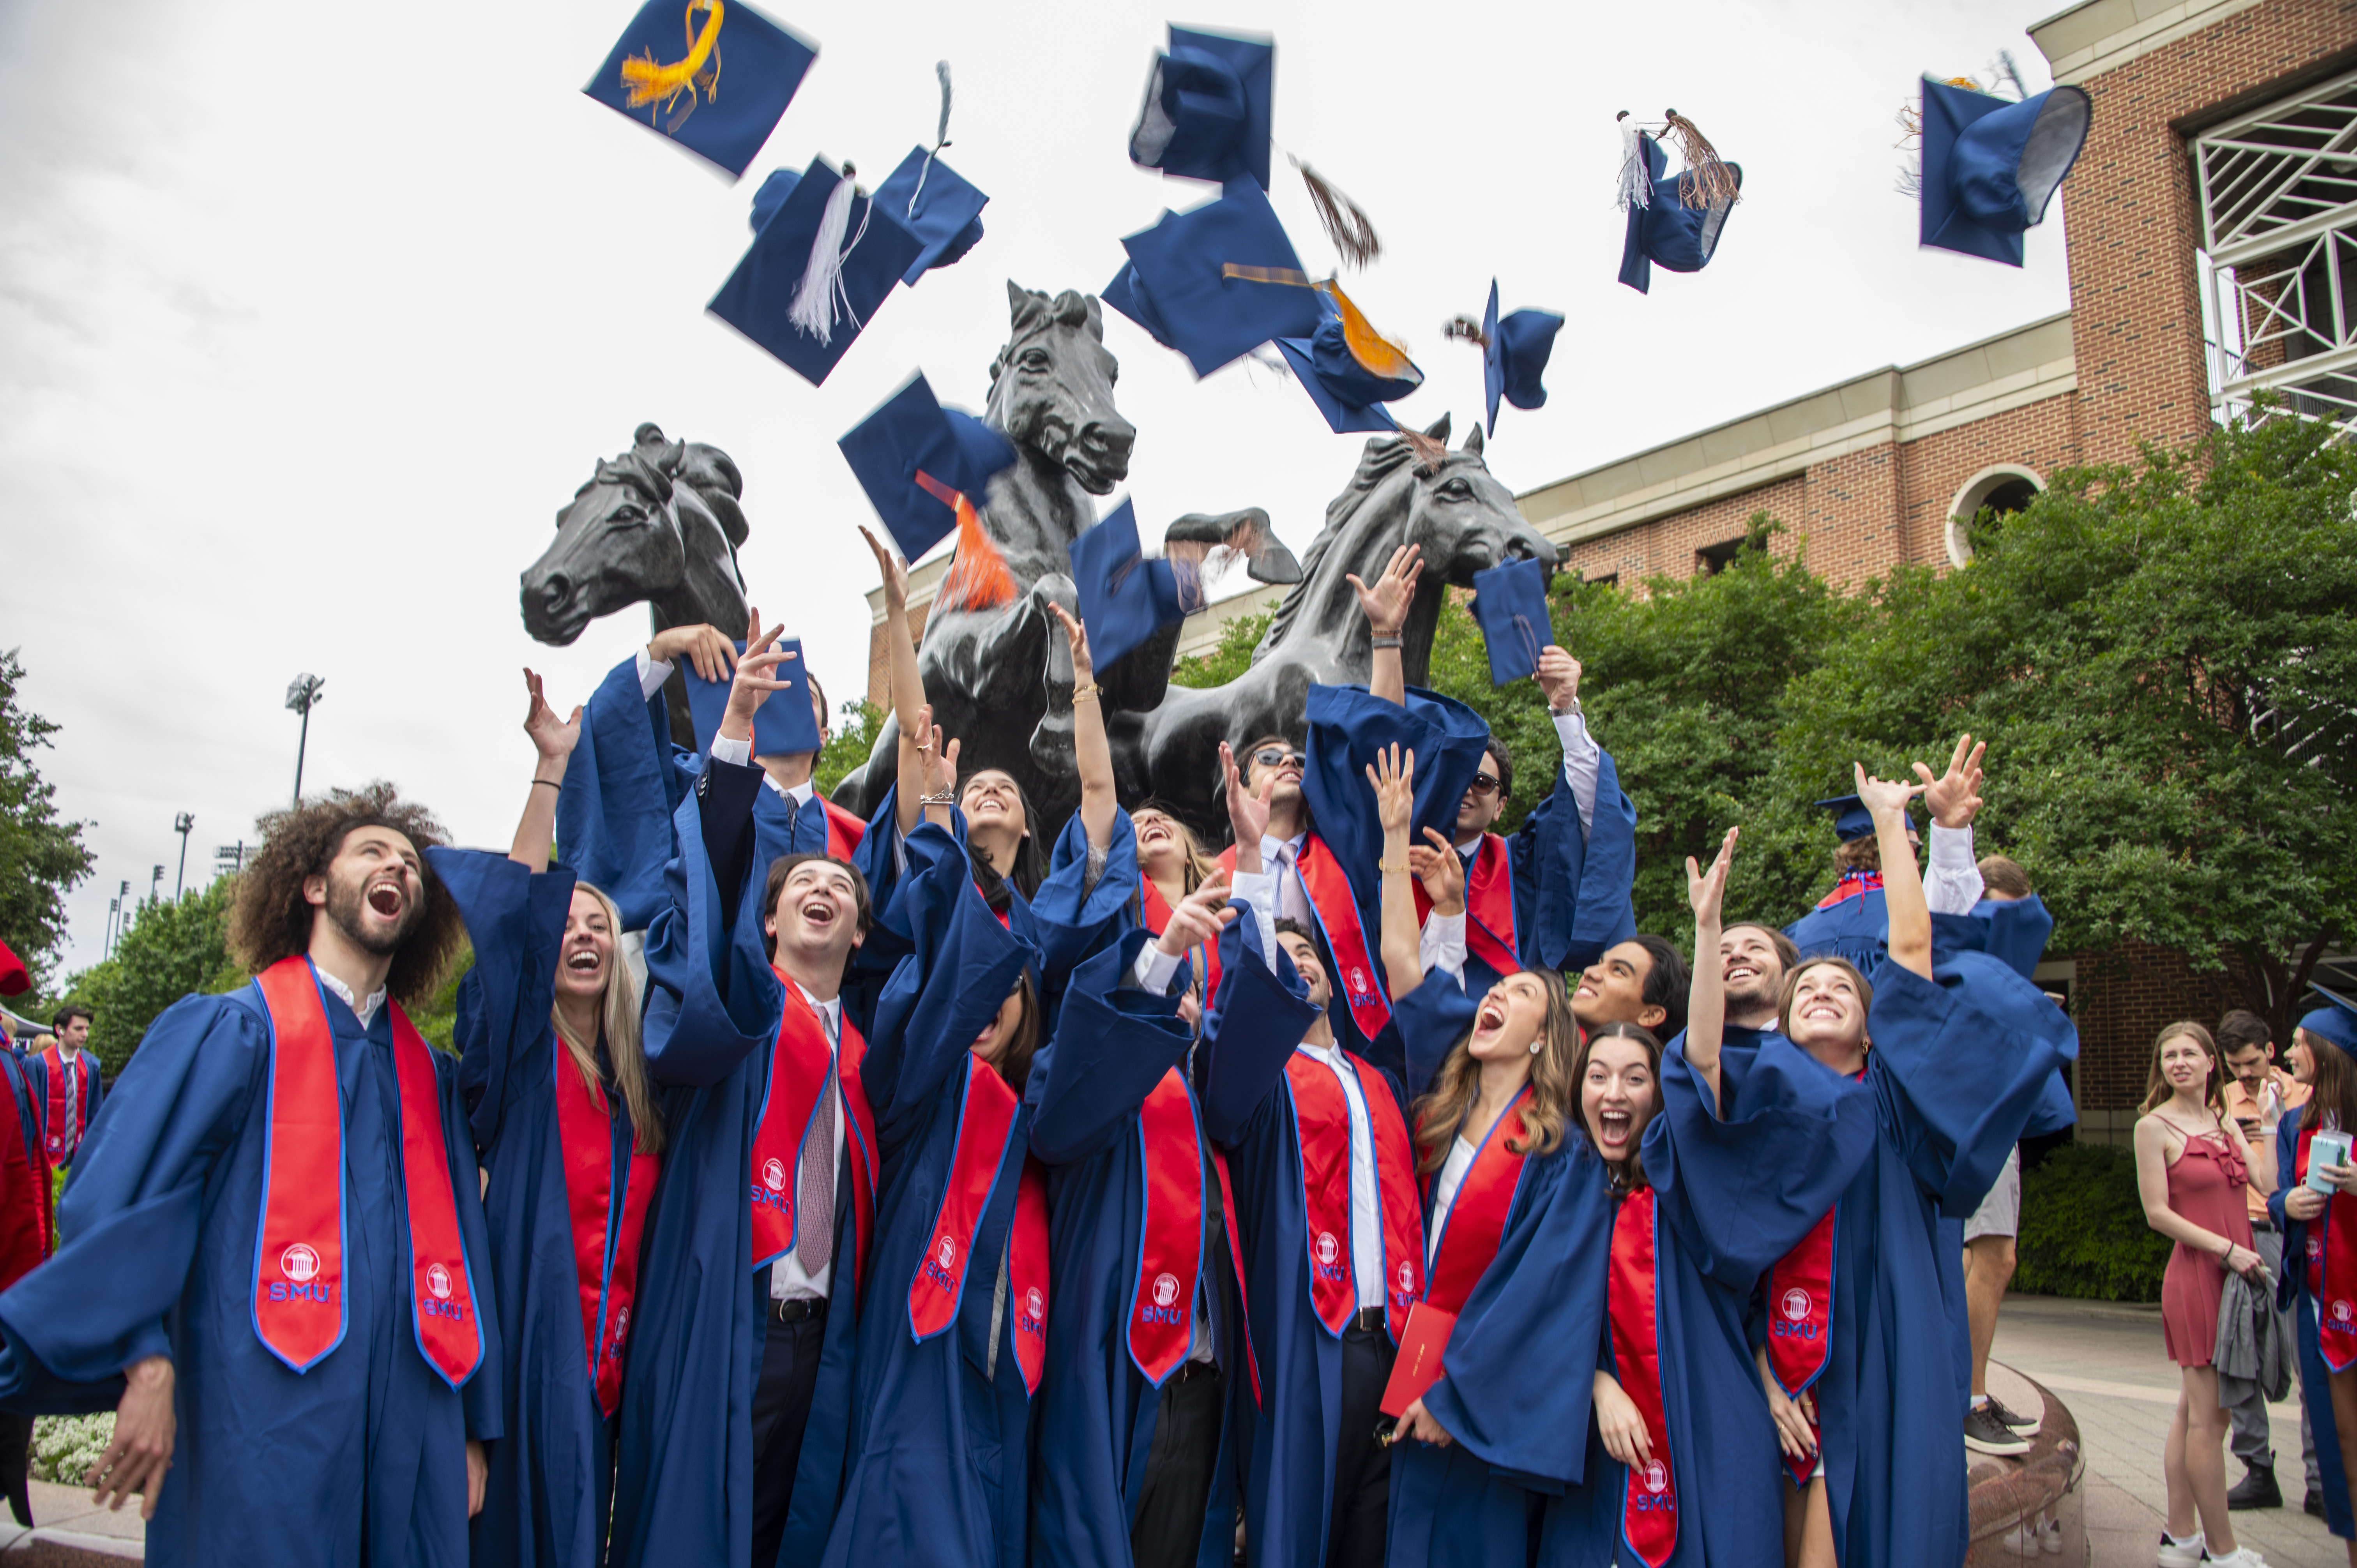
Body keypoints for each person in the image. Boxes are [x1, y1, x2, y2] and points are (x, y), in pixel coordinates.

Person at [0, 785, 499, 1564]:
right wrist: (147, 1361)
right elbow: (120, 1198)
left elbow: (463, 1253)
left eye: (410, 861)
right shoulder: (233, 1031)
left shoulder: (426, 1074)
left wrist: (469, 1422)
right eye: (371, 850)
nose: (397, 865)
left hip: (412, 1415)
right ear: (311, 883)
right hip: (258, 1408)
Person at [606, 581, 896, 1568]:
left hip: (822, 1324)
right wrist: (727, 726)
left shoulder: (850, 840)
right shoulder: (718, 813)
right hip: (732, 1274)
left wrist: (901, 630)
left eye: (839, 892)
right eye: (801, 886)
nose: (821, 887)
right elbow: (707, 878)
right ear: (770, 917)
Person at [1753, 751, 2072, 1568]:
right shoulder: (1763, 1113)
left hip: (1886, 1324)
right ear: (1780, 1024)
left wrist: (1907, 826)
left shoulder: (1893, 1098)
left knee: (1877, 1510)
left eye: (1842, 989)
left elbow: (1911, 949)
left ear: (1875, 1026)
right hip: (1793, 1339)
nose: (1821, 989)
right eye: (1805, 988)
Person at [1530, 826, 1875, 1568]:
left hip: (1712, 1410)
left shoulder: (1679, 1162)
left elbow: (1705, 1056)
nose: (1614, 1091)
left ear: (1662, 1092)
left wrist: (1709, 927)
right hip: (1601, 1437)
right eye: (1597, 1076)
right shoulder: (1561, 1179)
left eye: (1635, 1076)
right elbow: (1533, 1310)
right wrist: (1593, 1384)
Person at [431, 671, 666, 1568]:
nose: (581, 933)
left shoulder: (636, 1090)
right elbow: (510, 915)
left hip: (608, 1381)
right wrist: (551, 772)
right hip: (521, 1361)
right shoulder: (521, 1063)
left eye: (599, 924)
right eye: (567, 923)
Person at [1366, 742, 1599, 1568]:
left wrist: (1453, 1390)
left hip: (1480, 1399)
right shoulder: (1444, 1104)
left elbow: (1540, 1291)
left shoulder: (1559, 1152)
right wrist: (1394, 839)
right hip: (1414, 1361)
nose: (1496, 994)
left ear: (1547, 1039)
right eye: (1494, 990)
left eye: (1521, 993)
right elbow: (1402, 959)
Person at [1207, 747, 1427, 1568]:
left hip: (1395, 1342)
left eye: (1310, 959)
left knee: (1379, 1541)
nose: (1300, 968)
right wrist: (1254, 860)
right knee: (1297, 1535)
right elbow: (1244, 994)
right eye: (1284, 961)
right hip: (1311, 1334)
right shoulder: (1264, 1080)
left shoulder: (1379, 1081)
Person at [1347, 544, 1638, 1000]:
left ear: (1502, 804)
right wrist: (1386, 634)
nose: (1468, 789)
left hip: (1524, 1045)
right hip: (1416, 1050)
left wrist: (1565, 712)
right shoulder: (1397, 849)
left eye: (1483, 782)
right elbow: (1382, 748)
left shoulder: (1524, 863)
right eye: (1459, 776)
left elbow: (1593, 821)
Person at [2138, 1021, 2275, 1568]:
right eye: (2169, 1055)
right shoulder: (2154, 1127)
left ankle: (2181, 1538)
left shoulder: (2224, 1122)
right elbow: (2157, 1214)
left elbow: (2265, 1183)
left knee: (2190, 1415)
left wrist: (2263, 1125)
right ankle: (2224, 1552)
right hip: (2199, 1277)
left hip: (2237, 1277)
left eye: (2189, 1053)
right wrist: (2227, 1250)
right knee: (2211, 1420)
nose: (2179, 1063)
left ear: (2211, 1061)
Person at [2270, 985, 2357, 1564]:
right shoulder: (2295, 1123)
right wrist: (2290, 1204)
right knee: (2339, 1438)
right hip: (2320, 1305)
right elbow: (2276, 1194)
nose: (2292, 1053)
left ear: (2328, 1054)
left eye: (2301, 1042)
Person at [2219, 1006, 2314, 1513]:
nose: (2246, 1075)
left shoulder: (2305, 1092)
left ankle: (2319, 1479)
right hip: (2237, 1235)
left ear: (2271, 1051)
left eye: (2253, 1063)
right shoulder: (2221, 1101)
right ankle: (2258, 1470)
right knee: (2240, 1357)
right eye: (2236, 1066)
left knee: (2304, 1355)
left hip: (2289, 1232)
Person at [27, 1005, 101, 1169]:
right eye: (78, 1028)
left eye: (87, 1029)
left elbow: (95, 1115)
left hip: (79, 1160)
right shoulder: (38, 1066)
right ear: (60, 1030)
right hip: (44, 1160)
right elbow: (30, 1117)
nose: (85, 1034)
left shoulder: (90, 1069)